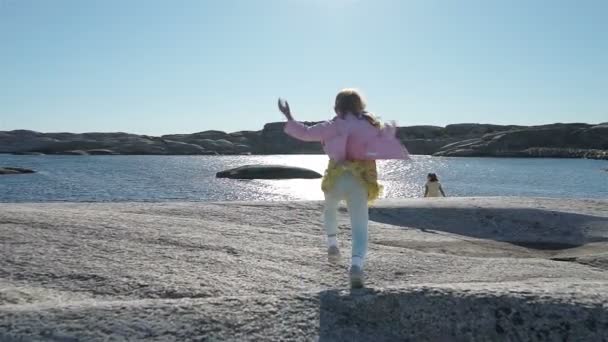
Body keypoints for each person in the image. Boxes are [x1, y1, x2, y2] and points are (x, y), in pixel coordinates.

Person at [277, 89, 409, 288]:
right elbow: (383, 143)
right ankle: (356, 265)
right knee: (360, 225)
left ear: (336, 107)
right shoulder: (369, 126)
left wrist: (288, 116)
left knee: (330, 209)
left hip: (336, 177)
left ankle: (332, 244)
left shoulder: (330, 126)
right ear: (360, 107)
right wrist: (389, 133)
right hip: (360, 179)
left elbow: (304, 133)